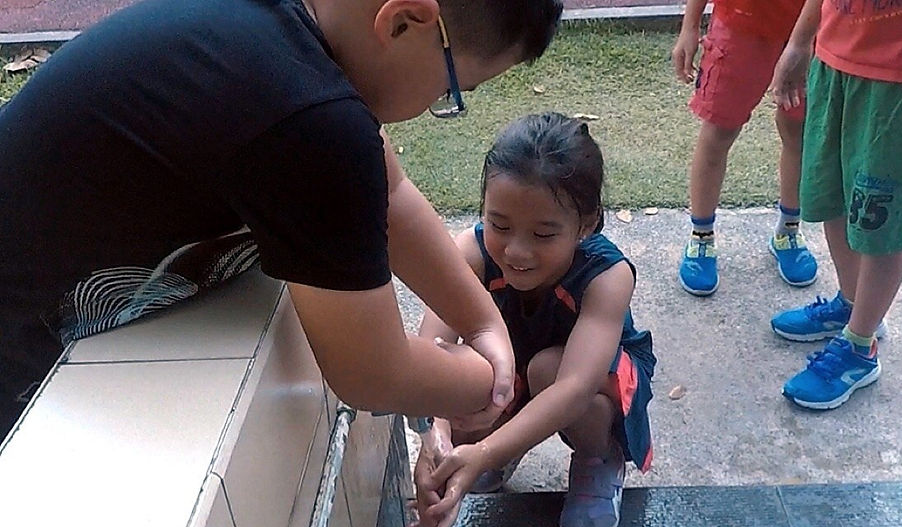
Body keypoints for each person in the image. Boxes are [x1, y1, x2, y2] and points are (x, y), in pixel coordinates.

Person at [0, 0, 566, 441]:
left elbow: (389, 191)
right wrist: (485, 385)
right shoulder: (310, 119)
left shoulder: (280, 36)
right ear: (403, 22)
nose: (437, 105)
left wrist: (484, 325)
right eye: (451, 89)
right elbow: (372, 371)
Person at [410, 113, 656, 527]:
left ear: (586, 224)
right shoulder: (469, 253)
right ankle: (504, 443)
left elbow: (575, 387)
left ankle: (599, 460)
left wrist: (483, 453)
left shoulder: (606, 276)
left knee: (547, 371)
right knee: (467, 372)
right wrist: (439, 435)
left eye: (544, 234)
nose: (517, 250)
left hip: (592, 381)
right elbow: (430, 351)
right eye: (500, 225)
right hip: (513, 365)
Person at [769, 0, 902, 410]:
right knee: (831, 195)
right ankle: (853, 305)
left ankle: (859, 348)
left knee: (881, 214)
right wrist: (799, 41)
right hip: (833, 62)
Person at [671, 0, 815, 297]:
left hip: (809, 28)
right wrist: (690, 26)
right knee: (717, 134)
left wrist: (805, 41)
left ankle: (789, 230)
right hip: (740, 28)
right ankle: (701, 235)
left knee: (799, 132)